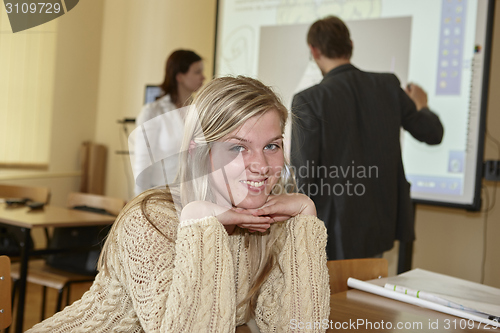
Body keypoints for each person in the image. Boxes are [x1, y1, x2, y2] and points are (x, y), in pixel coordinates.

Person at [28, 76, 330, 332]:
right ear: (201, 152)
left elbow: (297, 327)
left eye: (271, 146)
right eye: (238, 147)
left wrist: (306, 215)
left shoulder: (267, 223)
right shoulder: (150, 219)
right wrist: (200, 220)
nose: (261, 165)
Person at [291, 16, 444, 260]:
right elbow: (433, 133)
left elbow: (304, 173)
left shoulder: (309, 99)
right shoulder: (388, 85)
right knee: (367, 293)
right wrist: (421, 105)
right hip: (380, 223)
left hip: (330, 228)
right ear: (350, 44)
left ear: (314, 50)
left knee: (330, 298)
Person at [133, 49, 205, 195]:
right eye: (197, 72)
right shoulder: (153, 112)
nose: (203, 77)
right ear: (179, 76)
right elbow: (142, 163)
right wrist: (139, 201)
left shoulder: (202, 111)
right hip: (160, 195)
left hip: (195, 195)